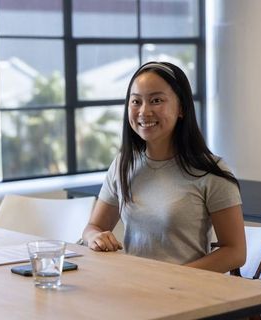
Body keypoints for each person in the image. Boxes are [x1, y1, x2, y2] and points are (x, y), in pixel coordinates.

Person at [82, 61, 246, 273]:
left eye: (156, 100)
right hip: (136, 288)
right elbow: (93, 228)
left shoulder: (212, 172)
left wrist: (175, 279)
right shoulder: (124, 164)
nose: (144, 111)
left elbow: (235, 252)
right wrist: (94, 237)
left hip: (187, 294)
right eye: (136, 101)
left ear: (181, 109)